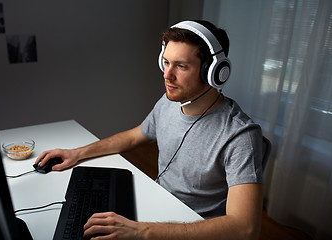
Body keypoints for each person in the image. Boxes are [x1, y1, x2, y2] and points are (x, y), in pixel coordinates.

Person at [36, 20, 263, 240]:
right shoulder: (169, 101)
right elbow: (136, 136)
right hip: (154, 209)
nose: (167, 75)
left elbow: (245, 228)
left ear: (213, 72)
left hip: (192, 229)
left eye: (181, 66)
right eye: (166, 62)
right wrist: (77, 153)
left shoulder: (240, 135)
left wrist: (142, 232)